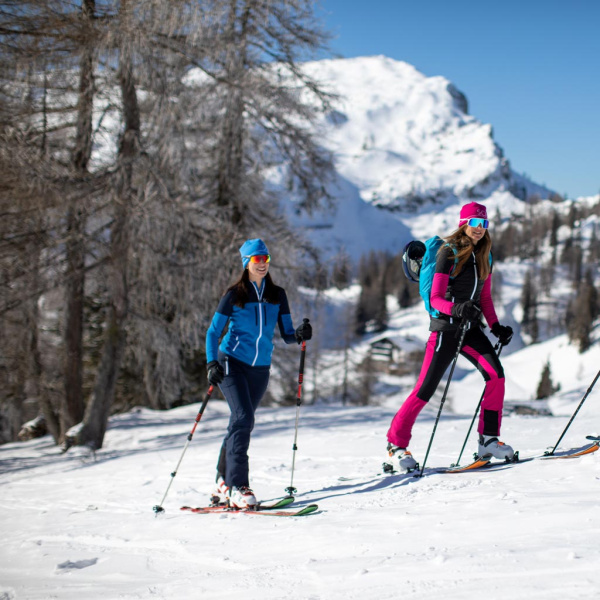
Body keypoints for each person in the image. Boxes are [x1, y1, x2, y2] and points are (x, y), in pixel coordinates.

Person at [387, 202, 514, 470]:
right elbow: (435, 298)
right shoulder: (449, 252)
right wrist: (457, 308)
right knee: (425, 389)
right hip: (445, 328)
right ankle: (396, 445)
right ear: (463, 223)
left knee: (496, 376)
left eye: (484, 224)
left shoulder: (485, 255)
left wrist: (495, 326)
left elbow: (486, 297)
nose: (479, 229)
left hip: (470, 329)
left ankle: (488, 439)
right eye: (475, 223)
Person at [205, 238, 312, 508]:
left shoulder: (278, 295)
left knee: (241, 422)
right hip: (231, 362)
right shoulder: (234, 295)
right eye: (257, 259)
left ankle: (222, 479)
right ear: (246, 263)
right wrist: (211, 362)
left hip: (260, 369)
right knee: (242, 418)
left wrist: (299, 334)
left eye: (266, 258)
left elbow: (287, 334)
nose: (262, 263)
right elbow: (213, 332)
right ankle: (238, 485)